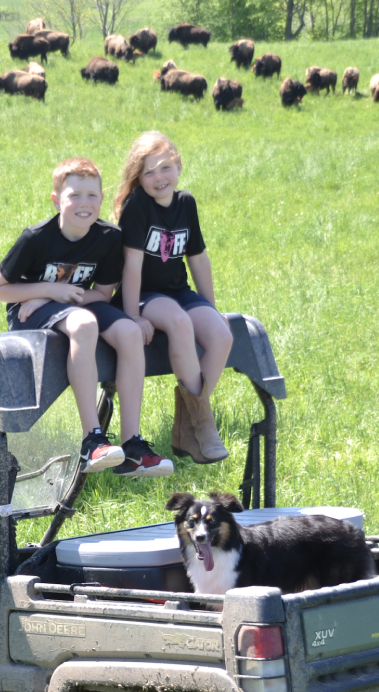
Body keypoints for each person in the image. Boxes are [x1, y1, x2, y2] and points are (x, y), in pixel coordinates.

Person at [0, 157, 173, 479]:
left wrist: (51, 293)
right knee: (84, 324)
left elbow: (101, 294)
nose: (84, 204)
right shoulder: (36, 238)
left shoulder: (108, 237)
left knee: (129, 332)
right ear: (57, 200)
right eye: (75, 195)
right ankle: (93, 441)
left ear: (102, 198)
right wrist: (45, 291)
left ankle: (132, 447)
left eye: (92, 195)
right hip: (28, 312)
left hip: (70, 302)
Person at [110, 131, 234, 464]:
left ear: (178, 166)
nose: (158, 178)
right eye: (148, 172)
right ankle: (203, 426)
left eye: (165, 168)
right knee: (179, 322)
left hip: (178, 290)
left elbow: (198, 259)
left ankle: (186, 427)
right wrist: (133, 314)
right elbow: (132, 265)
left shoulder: (186, 203)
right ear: (139, 179)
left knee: (221, 335)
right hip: (144, 295)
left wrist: (210, 306)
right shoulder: (138, 206)